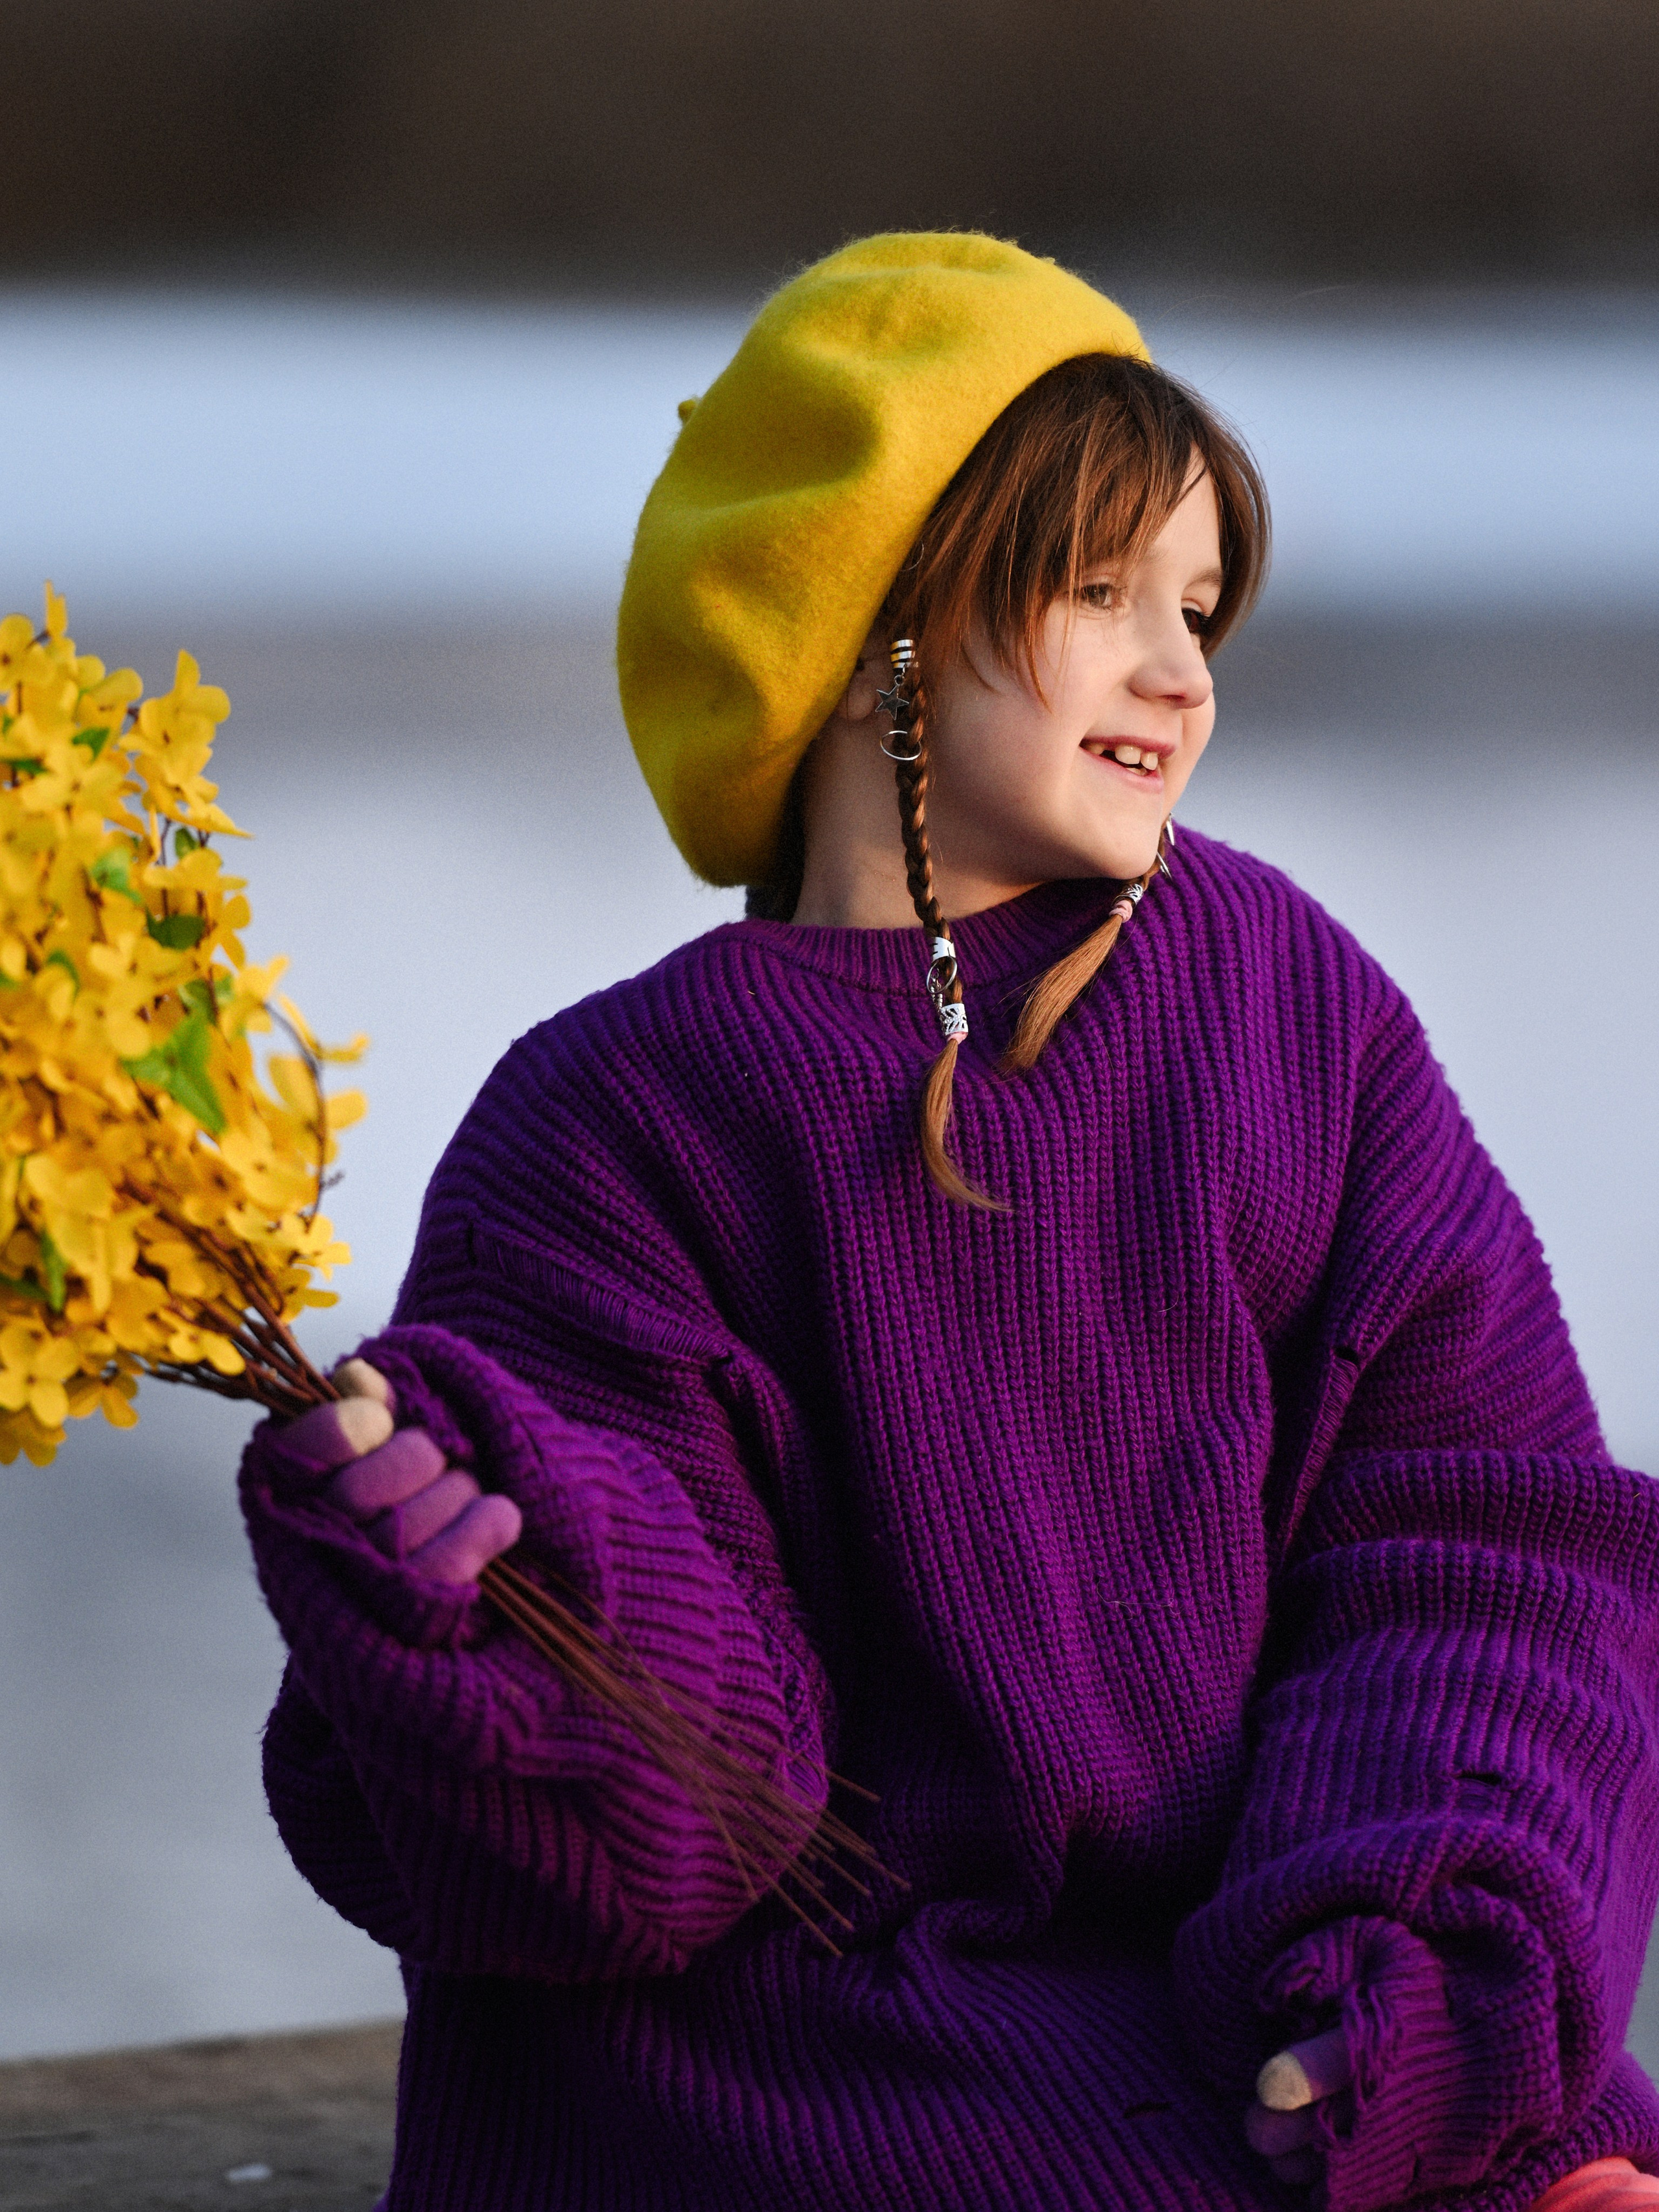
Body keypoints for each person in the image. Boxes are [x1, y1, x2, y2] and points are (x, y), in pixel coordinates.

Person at [239, 232, 1659, 2211]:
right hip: (816, 2055)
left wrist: (1407, 1960)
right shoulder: (617, 1123)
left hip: (1261, 1977)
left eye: (1202, 609)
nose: (1182, 673)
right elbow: (667, 1832)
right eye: (1101, 592)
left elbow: (1478, 1530)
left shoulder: (1285, 1002)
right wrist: (502, 1601)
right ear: (876, 626)